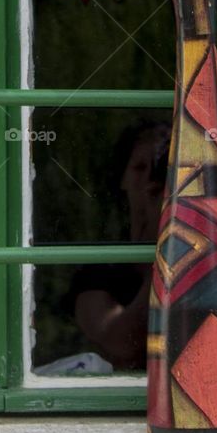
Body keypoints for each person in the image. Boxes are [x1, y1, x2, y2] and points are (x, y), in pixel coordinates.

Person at [68, 118, 171, 370]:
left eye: (160, 170)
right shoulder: (101, 271)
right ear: (123, 179)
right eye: (139, 168)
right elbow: (122, 342)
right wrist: (169, 251)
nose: (149, 179)